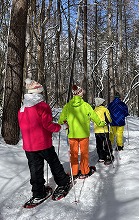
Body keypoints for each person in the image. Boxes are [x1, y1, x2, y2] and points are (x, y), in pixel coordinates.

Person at [18, 78, 71, 208]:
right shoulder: (42, 106)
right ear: (38, 92)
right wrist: (61, 127)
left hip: (29, 146)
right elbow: (48, 125)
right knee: (54, 164)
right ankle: (63, 182)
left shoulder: (22, 108)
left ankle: (38, 193)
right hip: (43, 143)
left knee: (35, 170)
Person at [58, 85, 106, 179]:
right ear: (80, 94)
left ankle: (74, 172)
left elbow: (61, 120)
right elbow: (94, 117)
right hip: (83, 134)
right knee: (84, 153)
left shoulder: (67, 106)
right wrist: (101, 123)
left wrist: (64, 122)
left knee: (74, 154)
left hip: (72, 134)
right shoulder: (86, 106)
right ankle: (85, 171)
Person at [94, 97, 114, 165]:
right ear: (101, 103)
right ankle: (108, 156)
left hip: (96, 130)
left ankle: (101, 157)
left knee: (99, 144)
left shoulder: (94, 110)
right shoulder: (105, 109)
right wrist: (109, 121)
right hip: (104, 129)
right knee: (106, 143)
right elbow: (109, 119)